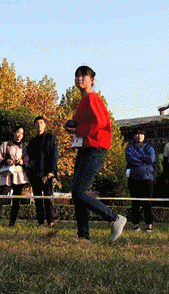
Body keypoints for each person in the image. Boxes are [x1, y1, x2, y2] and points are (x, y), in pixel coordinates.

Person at [65, 66, 126, 243]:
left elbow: (99, 123)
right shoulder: (83, 102)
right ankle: (83, 237)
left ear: (92, 80)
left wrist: (78, 129)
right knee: (77, 193)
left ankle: (115, 218)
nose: (79, 78)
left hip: (95, 149)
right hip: (85, 149)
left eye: (84, 75)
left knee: (78, 192)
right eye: (77, 75)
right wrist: (72, 128)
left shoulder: (93, 98)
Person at [0, 126, 29, 228]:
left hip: (19, 175)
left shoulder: (24, 148)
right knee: (1, 197)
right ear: (14, 133)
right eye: (18, 132)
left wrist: (22, 162)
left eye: (22, 133)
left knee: (16, 200)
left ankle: (12, 223)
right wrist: (7, 161)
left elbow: (27, 162)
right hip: (7, 174)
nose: (19, 135)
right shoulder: (5, 144)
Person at [27, 116, 59, 228]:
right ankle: (40, 222)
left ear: (45, 124)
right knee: (37, 199)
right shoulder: (32, 141)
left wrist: (52, 171)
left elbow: (55, 155)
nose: (39, 125)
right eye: (37, 123)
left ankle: (51, 222)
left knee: (48, 198)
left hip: (47, 173)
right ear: (34, 126)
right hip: (35, 174)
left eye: (41, 123)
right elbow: (29, 158)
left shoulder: (51, 137)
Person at [125, 126, 155, 232]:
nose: (139, 136)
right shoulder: (130, 148)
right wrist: (143, 160)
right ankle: (136, 225)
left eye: (141, 134)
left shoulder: (149, 147)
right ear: (133, 136)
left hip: (147, 178)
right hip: (133, 179)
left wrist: (138, 157)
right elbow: (130, 159)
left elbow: (151, 159)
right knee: (135, 203)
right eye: (137, 134)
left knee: (147, 203)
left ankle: (149, 225)